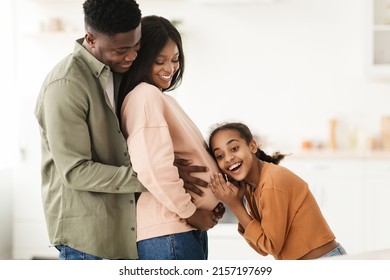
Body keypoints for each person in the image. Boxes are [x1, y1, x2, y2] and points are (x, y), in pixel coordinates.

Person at [34, 0, 209, 260]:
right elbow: (76, 171)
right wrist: (153, 178)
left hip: (123, 230)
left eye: (136, 47)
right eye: (121, 50)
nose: (131, 56)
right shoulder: (66, 85)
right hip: (87, 238)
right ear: (91, 39)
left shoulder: (117, 73)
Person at [119, 15, 224, 260]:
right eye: (159, 61)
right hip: (169, 230)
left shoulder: (161, 98)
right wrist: (191, 212)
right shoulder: (145, 95)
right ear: (141, 59)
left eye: (175, 60)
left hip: (182, 229)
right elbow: (152, 168)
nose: (170, 68)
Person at [208, 122, 347, 260]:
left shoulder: (271, 183)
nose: (228, 158)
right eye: (220, 156)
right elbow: (262, 248)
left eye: (234, 148)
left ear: (252, 146)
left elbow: (271, 246)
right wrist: (237, 202)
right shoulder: (251, 188)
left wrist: (235, 206)